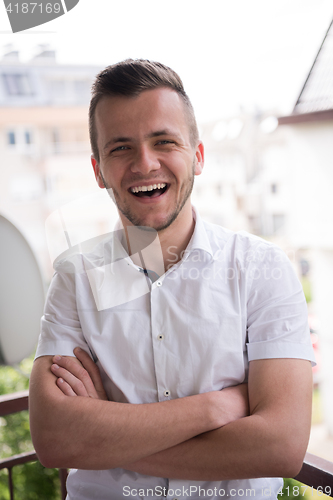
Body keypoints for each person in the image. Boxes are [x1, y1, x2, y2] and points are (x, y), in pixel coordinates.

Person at [29, 59, 316, 500]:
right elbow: (54, 440)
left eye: (164, 141)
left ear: (197, 156)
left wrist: (105, 435)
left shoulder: (262, 267)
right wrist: (217, 407)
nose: (145, 163)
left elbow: (280, 447)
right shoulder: (74, 276)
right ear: (98, 169)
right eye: (120, 148)